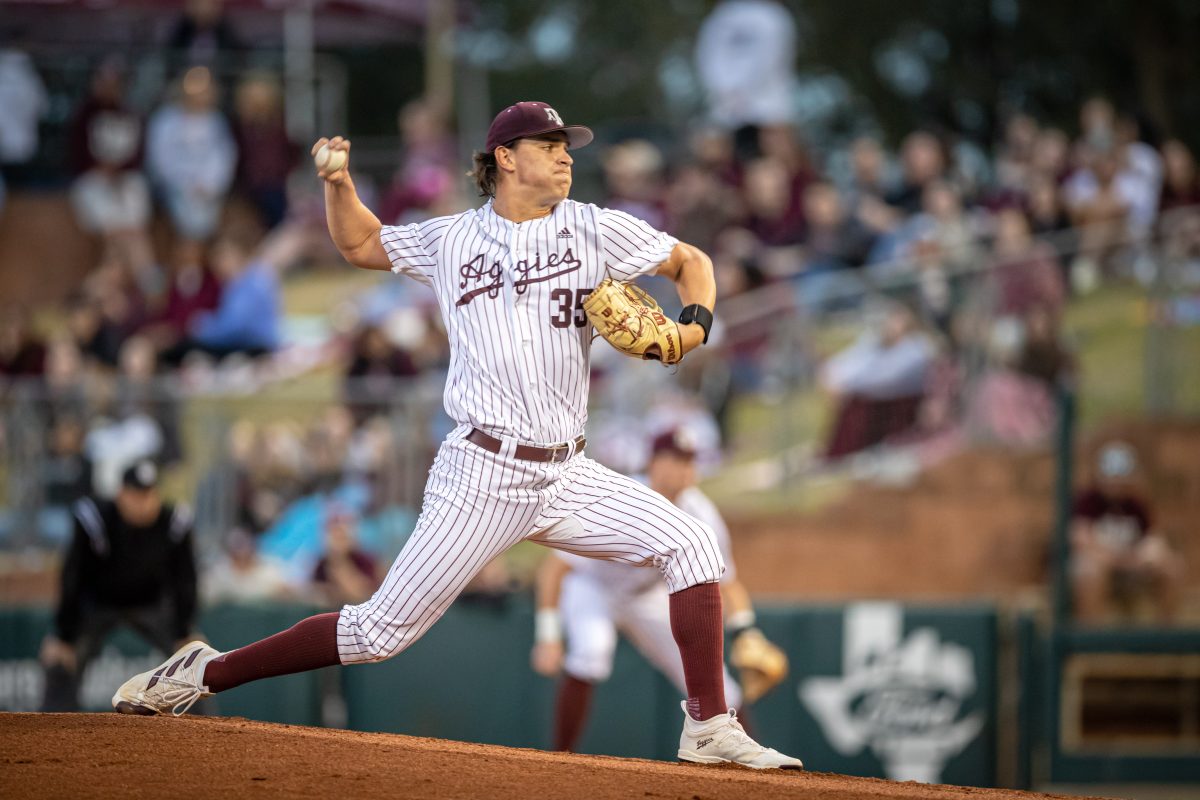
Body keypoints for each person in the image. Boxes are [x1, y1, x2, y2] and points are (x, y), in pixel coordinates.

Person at [112, 100, 801, 769]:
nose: (566, 158)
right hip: (483, 472)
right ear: (505, 157)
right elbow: (360, 242)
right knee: (377, 634)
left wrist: (694, 325)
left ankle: (709, 725)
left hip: (567, 472)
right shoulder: (452, 237)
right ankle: (205, 671)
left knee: (692, 541)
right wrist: (339, 183)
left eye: (569, 148)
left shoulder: (595, 228)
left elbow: (691, 262)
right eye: (550, 146)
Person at [532, 428, 788, 753]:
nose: (683, 469)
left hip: (646, 597)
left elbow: (727, 581)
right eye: (673, 459)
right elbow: (555, 570)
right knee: (591, 651)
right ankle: (559, 758)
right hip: (592, 587)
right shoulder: (621, 497)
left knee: (717, 683)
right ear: (652, 463)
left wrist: (745, 631)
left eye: (689, 461)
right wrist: (548, 634)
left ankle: (747, 767)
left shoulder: (701, 512)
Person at [41, 460, 198, 711]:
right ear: (121, 494)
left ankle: (202, 732)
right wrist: (63, 635)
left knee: (193, 660)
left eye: (149, 494)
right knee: (60, 659)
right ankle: (52, 728)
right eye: (136, 494)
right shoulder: (96, 518)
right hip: (98, 604)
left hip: (152, 603)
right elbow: (73, 576)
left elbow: (185, 580)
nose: (143, 502)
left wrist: (184, 631)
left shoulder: (173, 521)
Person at [1071, 442, 1184, 624]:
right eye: (1111, 477)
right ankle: (1090, 638)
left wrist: (1147, 556)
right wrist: (1121, 559)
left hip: (1130, 565)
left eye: (1121, 477)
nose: (1116, 483)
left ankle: (1164, 633)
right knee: (1090, 571)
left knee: (1171, 567)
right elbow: (1081, 540)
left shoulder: (1136, 504)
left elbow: (1154, 538)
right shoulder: (1087, 501)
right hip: (1101, 565)